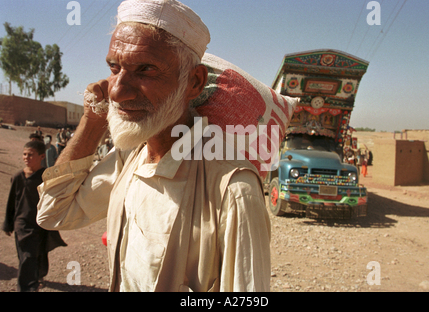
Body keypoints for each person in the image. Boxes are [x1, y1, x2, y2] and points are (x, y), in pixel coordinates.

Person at [37, 0, 270, 292]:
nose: (118, 91)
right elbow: (53, 212)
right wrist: (92, 122)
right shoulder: (131, 156)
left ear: (194, 82)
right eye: (114, 67)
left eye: (145, 70)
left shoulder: (232, 190)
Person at [2, 141, 66, 292]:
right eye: (24, 154)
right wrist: (8, 223)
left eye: (30, 154)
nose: (26, 158)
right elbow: (12, 201)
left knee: (39, 254)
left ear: (42, 156)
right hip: (22, 225)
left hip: (41, 224)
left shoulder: (46, 177)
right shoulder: (18, 177)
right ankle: (26, 287)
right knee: (26, 256)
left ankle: (36, 277)